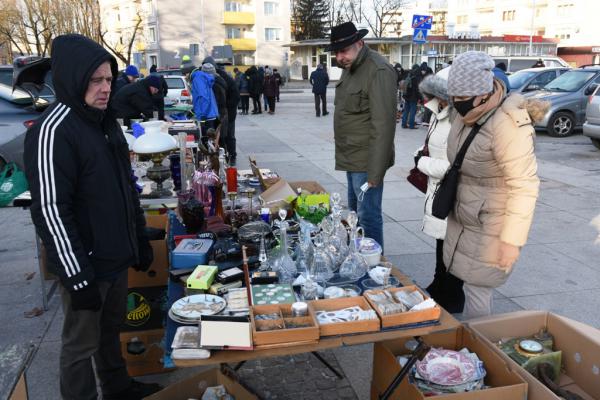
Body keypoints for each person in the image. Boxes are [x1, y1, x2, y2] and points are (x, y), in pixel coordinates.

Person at [23, 34, 160, 400]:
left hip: (115, 255)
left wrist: (139, 237)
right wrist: (76, 275)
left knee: (110, 331)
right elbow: (51, 210)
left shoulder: (103, 121)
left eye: (108, 79)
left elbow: (125, 187)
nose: (104, 88)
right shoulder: (53, 131)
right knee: (80, 345)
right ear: (73, 78)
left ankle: (117, 388)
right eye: (95, 80)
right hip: (84, 262)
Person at [445, 51, 541, 318]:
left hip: (493, 220)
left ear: (484, 93)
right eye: (454, 98)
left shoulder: (508, 124)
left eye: (463, 98)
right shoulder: (469, 113)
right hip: (468, 213)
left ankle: (483, 349)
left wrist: (511, 241)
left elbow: (524, 186)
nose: (457, 104)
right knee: (468, 283)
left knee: (478, 290)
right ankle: (475, 344)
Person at [329, 22, 397, 249]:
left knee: (368, 216)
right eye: (337, 52)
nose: (340, 57)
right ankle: (359, 256)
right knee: (355, 215)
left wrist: (375, 174)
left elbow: (384, 127)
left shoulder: (378, 70)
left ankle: (375, 266)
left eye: (344, 51)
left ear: (360, 43)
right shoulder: (351, 68)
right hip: (352, 157)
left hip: (368, 162)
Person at [413, 69, 465, 314]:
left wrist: (421, 163)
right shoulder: (438, 112)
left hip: (451, 190)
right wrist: (421, 152)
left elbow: (455, 165)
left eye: (439, 94)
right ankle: (438, 284)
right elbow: (433, 145)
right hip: (438, 190)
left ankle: (452, 296)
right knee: (440, 242)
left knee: (451, 246)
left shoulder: (459, 119)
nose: (434, 100)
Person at [204, 57, 240, 164]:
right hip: (223, 111)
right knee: (223, 135)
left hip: (227, 111)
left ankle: (232, 156)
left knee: (228, 135)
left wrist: (226, 108)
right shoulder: (216, 77)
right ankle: (225, 156)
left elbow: (235, 96)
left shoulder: (221, 78)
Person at [200, 62, 228, 142]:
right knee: (217, 137)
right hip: (219, 113)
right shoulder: (218, 82)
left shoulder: (213, 85)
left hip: (214, 114)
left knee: (213, 137)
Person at [190, 65, 219, 136]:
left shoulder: (198, 78)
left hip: (206, 115)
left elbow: (203, 97)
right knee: (210, 138)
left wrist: (203, 115)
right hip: (211, 114)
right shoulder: (204, 78)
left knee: (205, 138)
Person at [401, 64, 422, 129]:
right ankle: (411, 125)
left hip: (407, 96)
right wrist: (420, 97)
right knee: (413, 111)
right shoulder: (416, 77)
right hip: (413, 97)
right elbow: (417, 89)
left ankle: (404, 124)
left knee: (406, 110)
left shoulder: (408, 74)